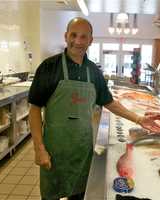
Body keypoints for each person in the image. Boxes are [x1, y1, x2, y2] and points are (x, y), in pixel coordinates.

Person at [28, 17, 160, 200]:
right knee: (51, 195)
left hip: (82, 151)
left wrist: (138, 119)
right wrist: (39, 148)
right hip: (53, 150)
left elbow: (109, 102)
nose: (78, 41)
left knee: (80, 194)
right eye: (74, 35)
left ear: (91, 40)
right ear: (66, 36)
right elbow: (34, 109)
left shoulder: (94, 71)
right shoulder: (49, 67)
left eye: (84, 37)